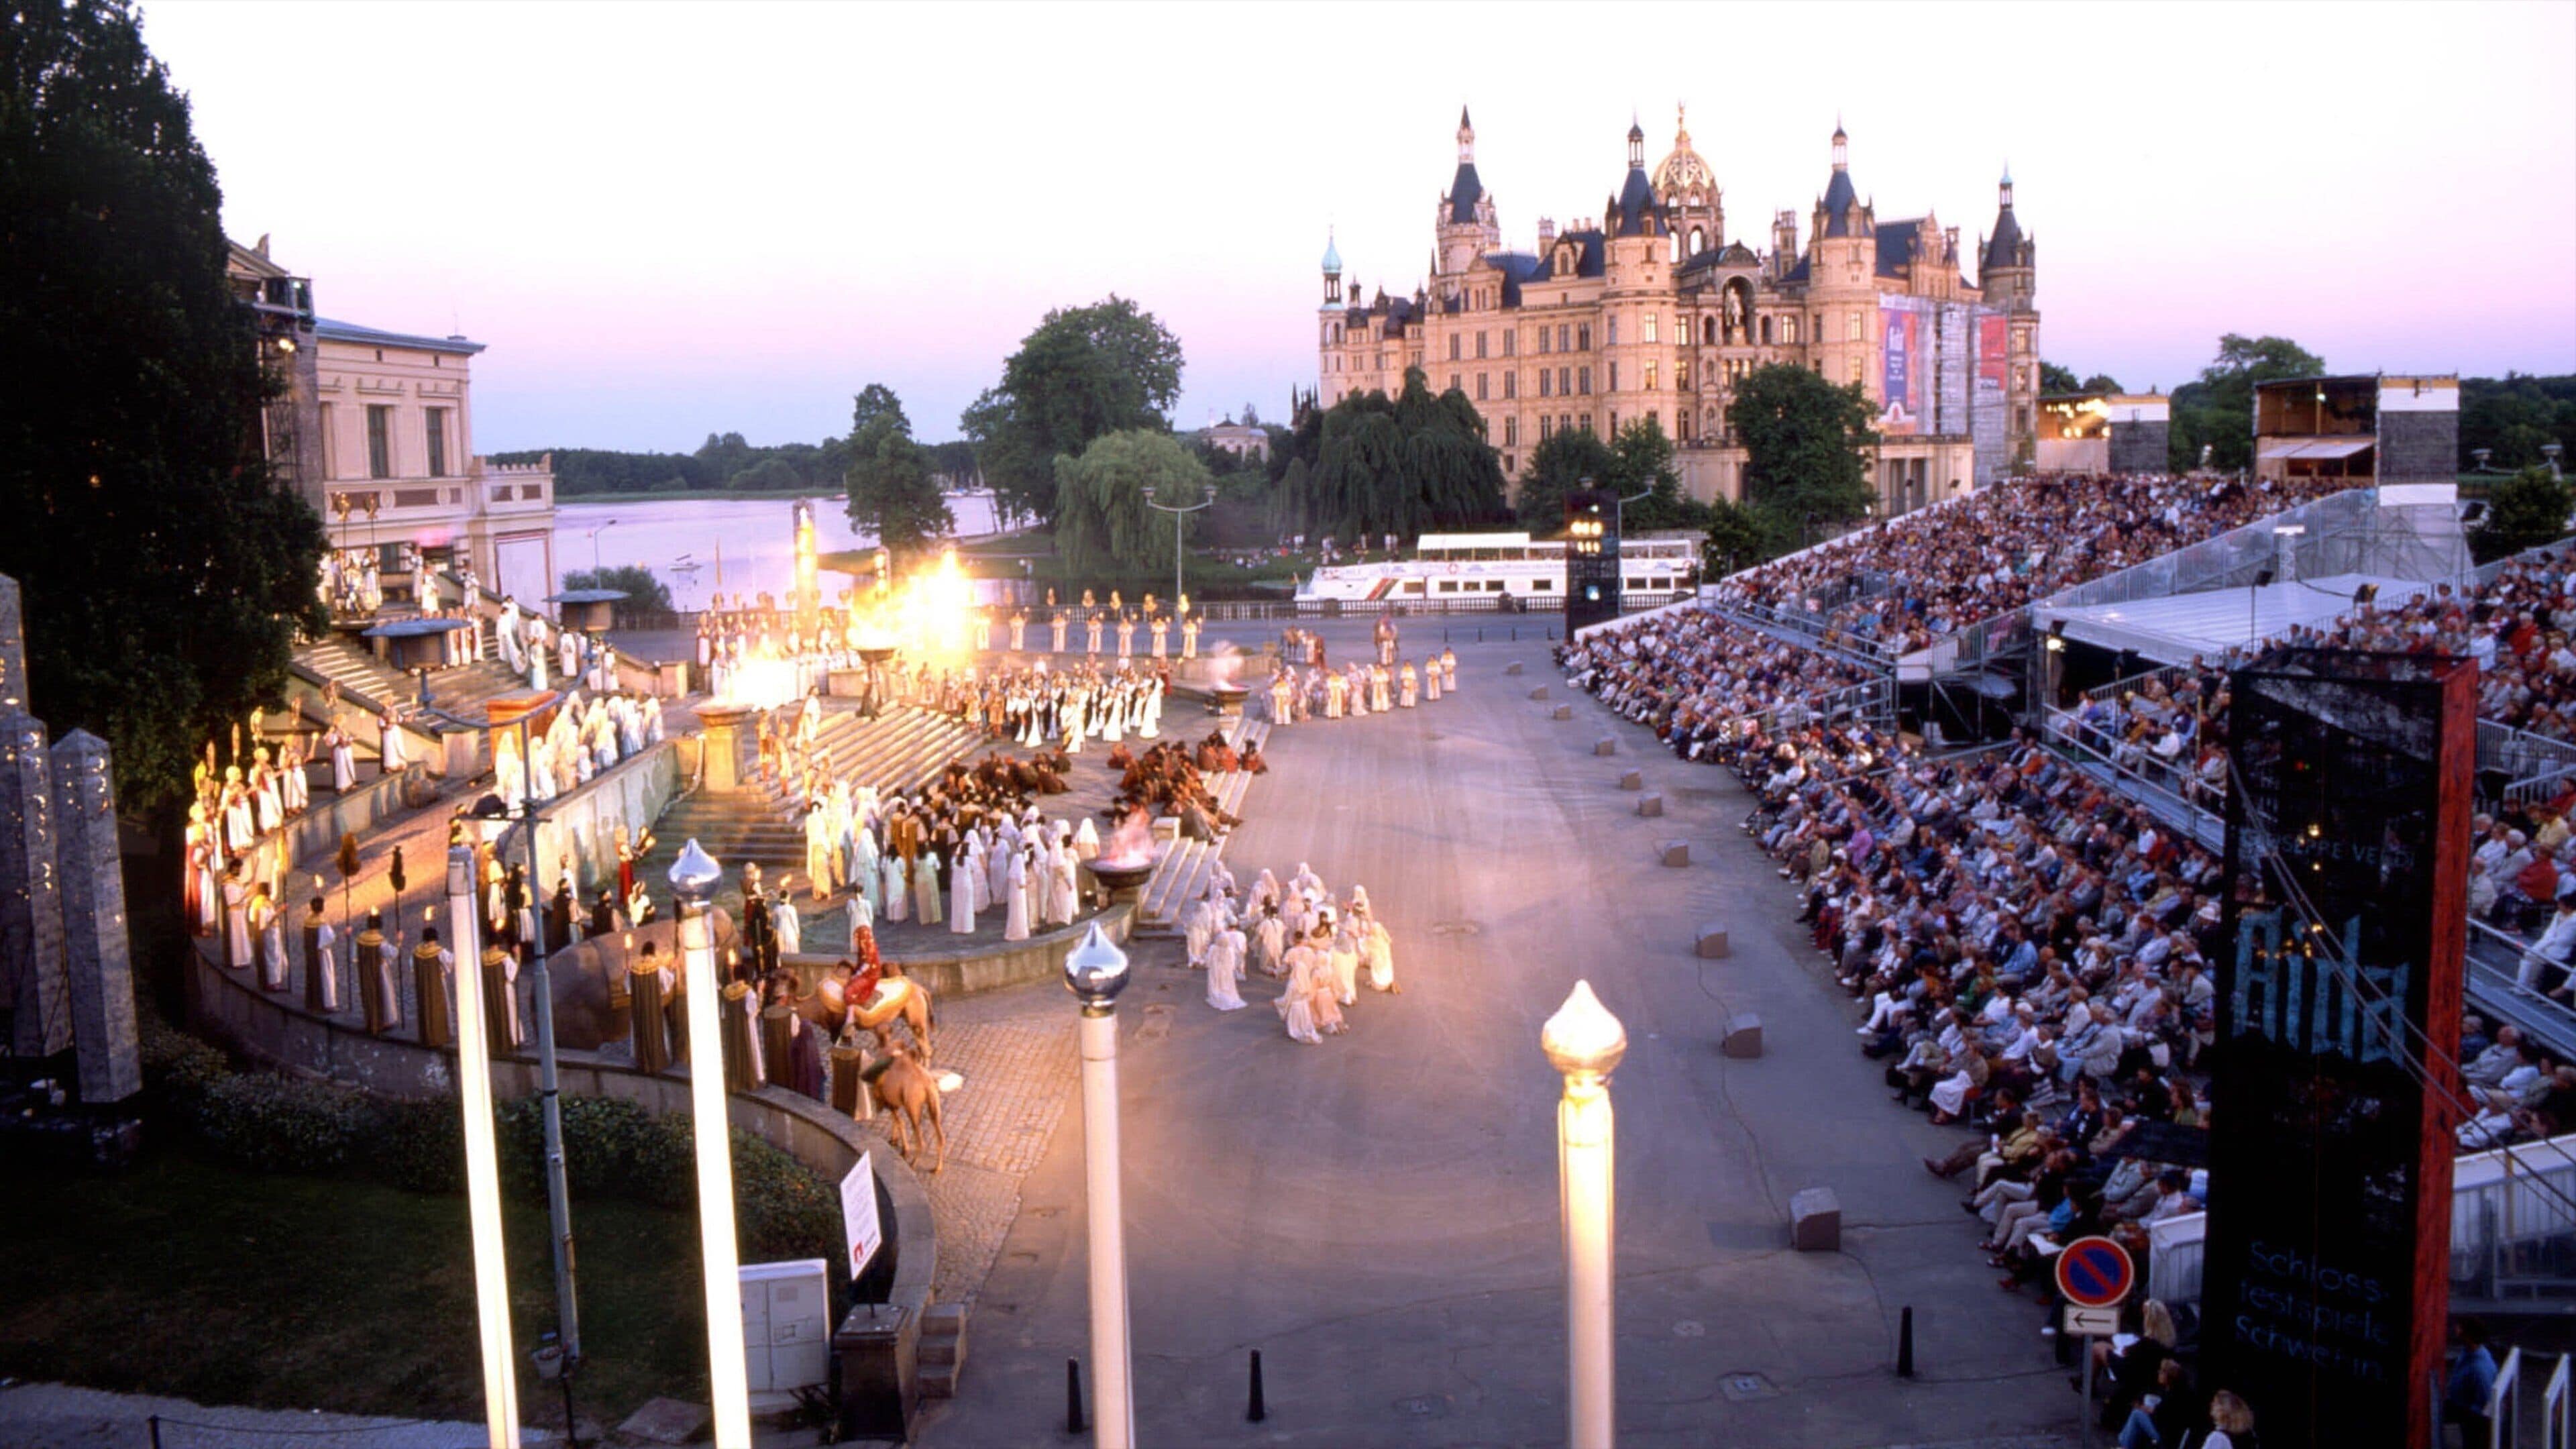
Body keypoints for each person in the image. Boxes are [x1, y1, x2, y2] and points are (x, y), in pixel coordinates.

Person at [2445, 1320, 2498, 1446]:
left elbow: (2485, 1401)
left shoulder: (2479, 1369)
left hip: (2474, 1416)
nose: (2457, 1331)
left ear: (2469, 1337)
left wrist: (2469, 1415)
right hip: (2462, 1403)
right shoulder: (2469, 1352)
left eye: (2462, 1331)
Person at [629, 942, 674, 1073]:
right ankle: (656, 1061)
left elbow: (628, 989)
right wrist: (673, 971)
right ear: (654, 951)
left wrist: (627, 972)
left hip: (639, 1008)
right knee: (657, 1031)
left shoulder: (634, 968)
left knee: (640, 1031)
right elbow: (667, 986)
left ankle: (642, 1061)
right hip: (653, 1007)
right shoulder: (659, 968)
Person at [303, 896, 340, 1014]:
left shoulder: (307, 921)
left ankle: (313, 1001)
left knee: (313, 975)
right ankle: (327, 1004)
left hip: (311, 954)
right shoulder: (322, 924)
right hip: (322, 955)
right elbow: (329, 939)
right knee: (326, 977)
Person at [1207, 920, 1248, 1010]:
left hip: (1216, 970)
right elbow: (1233, 962)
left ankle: (1215, 994)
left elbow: (1208, 960)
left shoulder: (1213, 948)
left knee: (1216, 984)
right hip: (1227, 971)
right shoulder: (1230, 950)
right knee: (1226, 984)